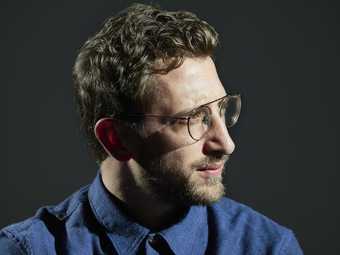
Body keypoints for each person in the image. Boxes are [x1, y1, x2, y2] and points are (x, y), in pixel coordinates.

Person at [0, 3, 303, 254]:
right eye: (193, 118)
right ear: (116, 138)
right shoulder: (28, 249)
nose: (226, 143)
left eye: (222, 109)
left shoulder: (269, 247)